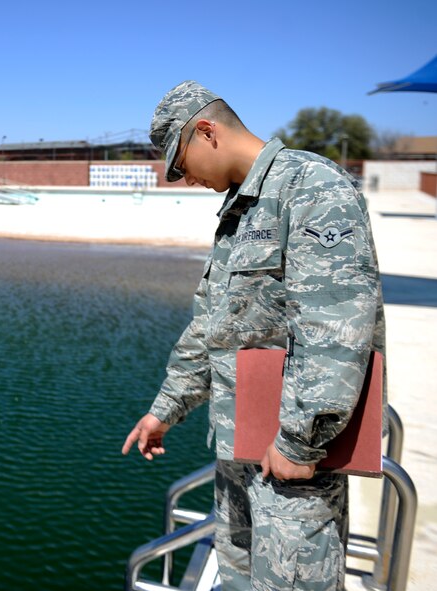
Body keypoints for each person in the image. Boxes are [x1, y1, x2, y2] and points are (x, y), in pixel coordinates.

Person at [122, 81, 385, 590]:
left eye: (180, 164)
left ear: (206, 132)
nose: (182, 179)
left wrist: (299, 441)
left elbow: (336, 327)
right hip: (239, 450)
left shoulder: (310, 187)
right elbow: (212, 327)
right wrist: (166, 408)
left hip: (293, 471)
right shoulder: (239, 214)